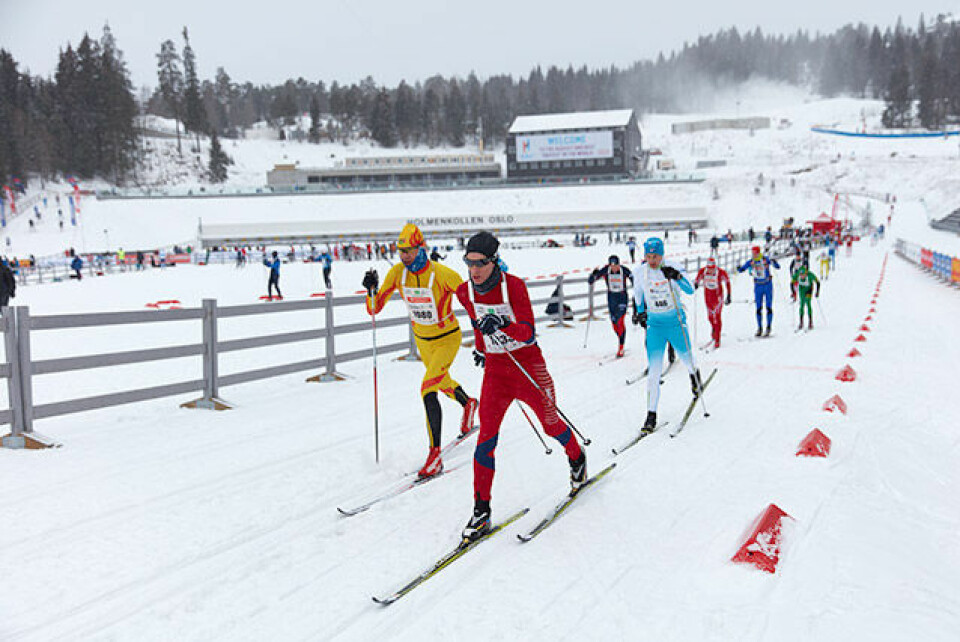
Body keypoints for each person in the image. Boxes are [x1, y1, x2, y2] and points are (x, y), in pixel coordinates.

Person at [455, 231, 586, 541]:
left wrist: (501, 325)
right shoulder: (464, 292)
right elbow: (477, 323)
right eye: (468, 263)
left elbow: (527, 332)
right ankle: (481, 510)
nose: (473, 271)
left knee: (551, 425)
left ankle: (577, 456)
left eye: (480, 264)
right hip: (497, 373)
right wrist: (480, 348)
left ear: (494, 261)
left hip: (528, 368)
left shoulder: (513, 286)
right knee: (486, 438)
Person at [362, 224, 478, 479]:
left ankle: (434, 456)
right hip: (423, 341)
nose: (404, 256)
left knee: (427, 388)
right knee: (441, 382)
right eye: (400, 251)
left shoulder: (442, 273)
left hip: (447, 338)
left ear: (420, 248)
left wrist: (481, 333)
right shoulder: (397, 273)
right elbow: (374, 308)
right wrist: (369, 290)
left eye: (409, 251)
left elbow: (470, 302)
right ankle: (468, 403)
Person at [631, 237, 702, 432]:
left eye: (655, 256)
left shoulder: (673, 267)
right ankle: (651, 415)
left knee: (687, 359)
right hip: (655, 326)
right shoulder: (639, 272)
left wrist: (677, 277)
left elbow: (690, 289)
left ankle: (694, 375)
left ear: (662, 254)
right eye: (648, 256)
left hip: (675, 323)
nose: (652, 260)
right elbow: (638, 293)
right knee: (654, 372)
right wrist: (639, 311)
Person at [588, 255, 634, 357]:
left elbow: (634, 280)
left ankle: (621, 347)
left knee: (620, 320)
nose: (614, 268)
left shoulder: (624, 270)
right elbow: (591, 281)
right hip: (611, 298)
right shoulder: (606, 270)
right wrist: (593, 274)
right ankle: (620, 338)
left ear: (619, 264)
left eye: (615, 265)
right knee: (614, 323)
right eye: (612, 265)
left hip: (622, 297)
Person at [737, 245, 781, 337]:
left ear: (758, 253)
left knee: (768, 307)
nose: (753, 255)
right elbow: (742, 269)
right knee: (758, 308)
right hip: (758, 286)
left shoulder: (765, 259)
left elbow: (777, 267)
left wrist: (774, 262)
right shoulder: (751, 261)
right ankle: (759, 328)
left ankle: (768, 327)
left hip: (767, 285)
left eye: (754, 253)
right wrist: (739, 268)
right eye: (752, 253)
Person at [694, 257, 731, 349]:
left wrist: (729, 295)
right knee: (710, 317)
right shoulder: (703, 271)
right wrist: (696, 284)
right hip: (708, 297)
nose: (711, 270)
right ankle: (714, 328)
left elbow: (727, 282)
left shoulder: (721, 272)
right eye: (709, 268)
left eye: (712, 268)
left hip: (718, 297)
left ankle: (717, 339)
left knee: (717, 317)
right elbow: (697, 280)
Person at [791, 264, 821, 330]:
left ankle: (810, 322)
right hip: (801, 290)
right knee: (801, 305)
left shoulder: (810, 275)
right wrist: (793, 292)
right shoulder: (797, 275)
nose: (802, 277)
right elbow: (791, 283)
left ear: (806, 273)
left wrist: (817, 292)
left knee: (808, 303)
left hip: (809, 289)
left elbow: (818, 282)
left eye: (803, 275)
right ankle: (801, 322)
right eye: (800, 275)